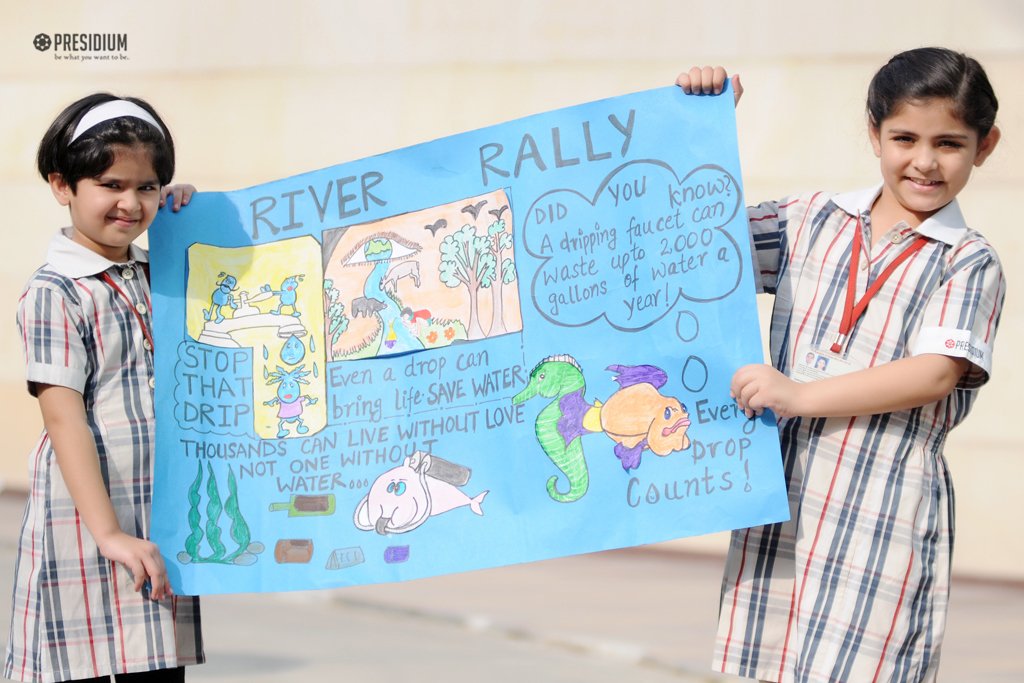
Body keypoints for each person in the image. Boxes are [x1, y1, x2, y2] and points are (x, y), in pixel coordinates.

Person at [677, 48, 1004, 682]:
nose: (925, 161)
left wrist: (797, 394)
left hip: (880, 516)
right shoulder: (810, 220)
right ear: (874, 133)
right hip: (782, 509)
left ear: (985, 146)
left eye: (950, 143)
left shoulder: (968, 260)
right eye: (905, 137)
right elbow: (694, 244)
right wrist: (702, 129)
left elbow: (936, 372)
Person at [5, 94, 203, 682]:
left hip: (156, 515)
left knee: (157, 663)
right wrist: (109, 533)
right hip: (87, 516)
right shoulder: (55, 292)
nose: (130, 202)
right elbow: (63, 418)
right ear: (62, 185)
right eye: (111, 183)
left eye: (147, 187)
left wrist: (187, 214)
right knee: (80, 665)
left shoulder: (156, 269)